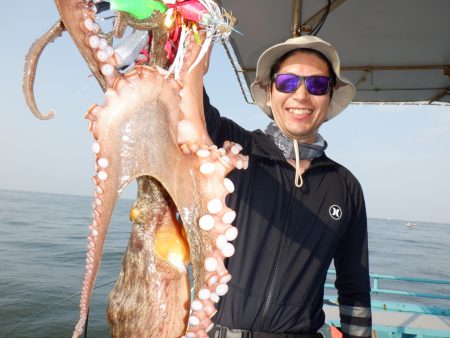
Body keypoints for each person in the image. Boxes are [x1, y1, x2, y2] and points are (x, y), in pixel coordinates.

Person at [203, 35, 372, 338]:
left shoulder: (345, 187)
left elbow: (354, 284)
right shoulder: (232, 144)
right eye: (288, 82)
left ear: (330, 97)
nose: (302, 95)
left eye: (318, 85)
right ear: (269, 92)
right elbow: (185, 102)